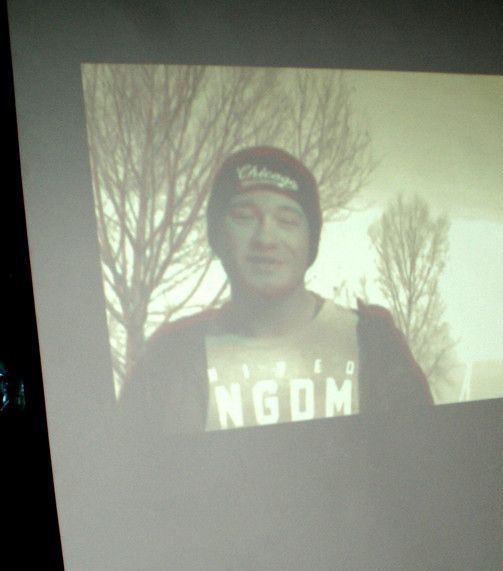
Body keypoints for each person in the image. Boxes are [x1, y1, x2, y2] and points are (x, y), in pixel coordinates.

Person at [119, 146, 432, 432]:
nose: (266, 239)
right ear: (218, 235)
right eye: (245, 217)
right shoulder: (169, 360)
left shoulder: (373, 344)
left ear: (311, 240)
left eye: (287, 221)